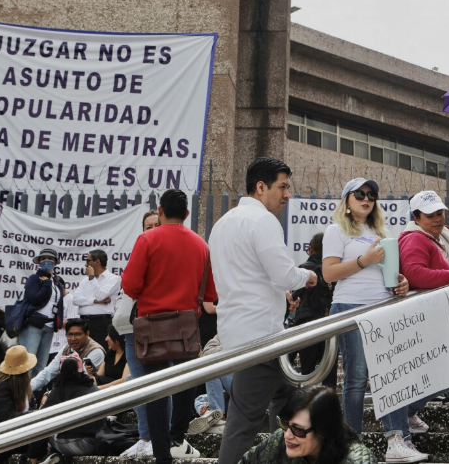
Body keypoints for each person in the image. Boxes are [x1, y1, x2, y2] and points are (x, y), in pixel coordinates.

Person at [209, 157, 318, 464]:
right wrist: (308, 276)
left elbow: (245, 276)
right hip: (262, 339)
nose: (287, 194)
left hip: (237, 333)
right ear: (261, 187)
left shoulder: (221, 224)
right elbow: (284, 273)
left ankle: (320, 450)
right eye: (282, 187)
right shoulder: (263, 221)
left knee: (295, 405)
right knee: (242, 423)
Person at [322, 177, 421, 462]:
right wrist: (364, 260)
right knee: (357, 377)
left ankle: (396, 439)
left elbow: (387, 274)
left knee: (392, 374)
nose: (367, 199)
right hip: (350, 306)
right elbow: (328, 274)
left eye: (371, 195)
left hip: (383, 307)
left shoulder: (381, 230)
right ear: (347, 201)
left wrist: (400, 282)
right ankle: (353, 443)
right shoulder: (336, 230)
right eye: (359, 194)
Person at [122, 189, 218, 463]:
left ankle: (162, 453)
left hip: (152, 328)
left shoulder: (147, 239)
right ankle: (177, 436)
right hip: (187, 325)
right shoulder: (201, 245)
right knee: (186, 379)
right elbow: (210, 294)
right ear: (187, 214)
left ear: (160, 211)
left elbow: (130, 286)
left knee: (156, 389)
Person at [397, 190, 449, 445]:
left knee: (446, 372)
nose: (438, 218)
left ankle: (409, 413)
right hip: (424, 316)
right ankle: (407, 413)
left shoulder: (445, 235)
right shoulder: (414, 240)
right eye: (430, 214)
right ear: (416, 216)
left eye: (440, 213)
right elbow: (416, 274)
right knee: (443, 372)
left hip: (443, 313)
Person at [118, 209, 162, 459]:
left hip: (157, 327)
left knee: (157, 385)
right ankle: (145, 437)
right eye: (148, 226)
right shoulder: (139, 250)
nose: (153, 229)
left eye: (158, 224)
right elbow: (129, 284)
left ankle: (158, 438)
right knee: (139, 384)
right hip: (135, 327)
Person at [240, 386, 376, 464]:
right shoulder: (280, 440)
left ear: (323, 431)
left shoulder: (357, 460)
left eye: (298, 430)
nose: (287, 435)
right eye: (284, 424)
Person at [27, 353, 105, 463]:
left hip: (74, 444)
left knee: (47, 427)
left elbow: (42, 422)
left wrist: (32, 456)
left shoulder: (59, 391)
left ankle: (45, 457)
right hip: (95, 443)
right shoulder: (92, 387)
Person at [288, 233, 337, 387]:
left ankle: (307, 406)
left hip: (307, 324)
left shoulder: (303, 269)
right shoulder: (334, 271)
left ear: (310, 249)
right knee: (330, 373)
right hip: (330, 323)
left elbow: (294, 296)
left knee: (307, 373)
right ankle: (330, 406)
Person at [0, 345, 36, 464]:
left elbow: (32, 405)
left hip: (17, 431)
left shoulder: (24, 382)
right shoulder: (1, 385)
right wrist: (33, 416)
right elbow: (7, 415)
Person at [19, 248, 65, 378]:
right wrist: (46, 284)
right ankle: (22, 396)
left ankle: (35, 396)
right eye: (43, 258)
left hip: (49, 327)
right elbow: (34, 299)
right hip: (34, 325)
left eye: (50, 259)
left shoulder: (57, 282)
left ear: (55, 262)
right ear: (39, 261)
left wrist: (58, 323)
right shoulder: (34, 279)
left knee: (41, 366)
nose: (47, 261)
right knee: (27, 364)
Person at [30, 318, 105, 392]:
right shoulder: (66, 348)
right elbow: (48, 372)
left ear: (87, 334)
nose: (73, 338)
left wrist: (49, 394)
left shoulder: (96, 351)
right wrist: (27, 388)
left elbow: (80, 379)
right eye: (70, 335)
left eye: (77, 334)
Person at [72, 249, 121, 350]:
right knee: (81, 352)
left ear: (97, 262)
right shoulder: (84, 281)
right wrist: (94, 301)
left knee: (101, 351)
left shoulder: (114, 279)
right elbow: (76, 300)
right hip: (83, 322)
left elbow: (101, 296)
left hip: (101, 323)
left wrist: (91, 277)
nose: (86, 264)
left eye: (88, 260)